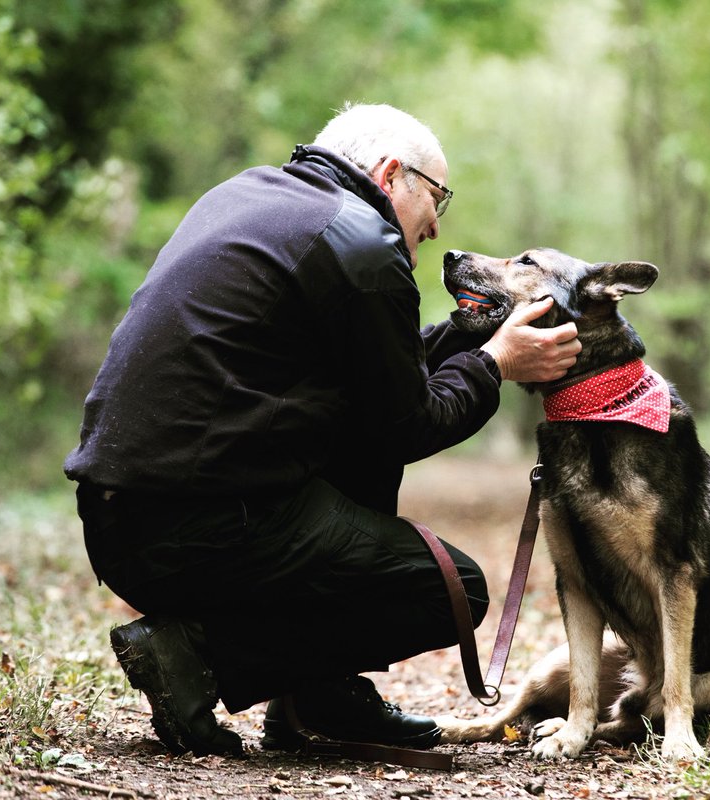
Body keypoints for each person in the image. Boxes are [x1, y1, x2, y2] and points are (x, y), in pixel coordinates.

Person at [64, 103, 581, 757]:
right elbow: (407, 423)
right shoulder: (362, 241)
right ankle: (196, 654)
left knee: (354, 445)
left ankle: (317, 700)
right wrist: (497, 362)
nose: (434, 229)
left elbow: (378, 378)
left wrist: (476, 333)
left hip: (123, 518)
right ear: (393, 174)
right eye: (436, 201)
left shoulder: (250, 197)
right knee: (450, 589)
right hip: (199, 525)